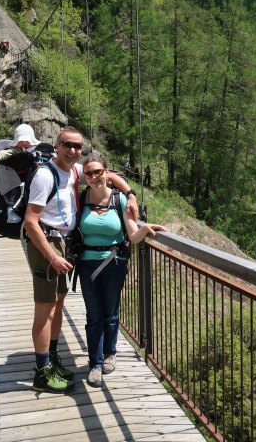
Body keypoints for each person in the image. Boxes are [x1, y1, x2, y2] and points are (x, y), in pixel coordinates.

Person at [22, 127, 139, 393]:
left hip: (64, 243)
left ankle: (51, 360)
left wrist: (130, 194)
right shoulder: (45, 175)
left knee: (57, 304)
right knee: (44, 308)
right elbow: (30, 222)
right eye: (68, 145)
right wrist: (51, 256)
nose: (74, 151)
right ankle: (41, 371)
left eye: (78, 146)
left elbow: (109, 175)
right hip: (47, 243)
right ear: (57, 145)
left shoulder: (74, 171)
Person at [78, 153, 167, 388]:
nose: (95, 176)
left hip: (114, 263)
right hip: (87, 264)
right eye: (89, 173)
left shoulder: (120, 201)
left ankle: (110, 353)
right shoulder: (81, 198)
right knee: (93, 315)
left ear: (107, 172)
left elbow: (132, 236)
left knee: (111, 312)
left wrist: (144, 228)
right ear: (84, 176)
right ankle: (95, 364)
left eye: (99, 171)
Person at [0, 123, 39, 223]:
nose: (24, 144)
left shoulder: (35, 151)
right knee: (17, 190)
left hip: (30, 180)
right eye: (21, 141)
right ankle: (10, 211)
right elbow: (4, 153)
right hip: (14, 181)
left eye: (27, 141)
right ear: (16, 142)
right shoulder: (14, 150)